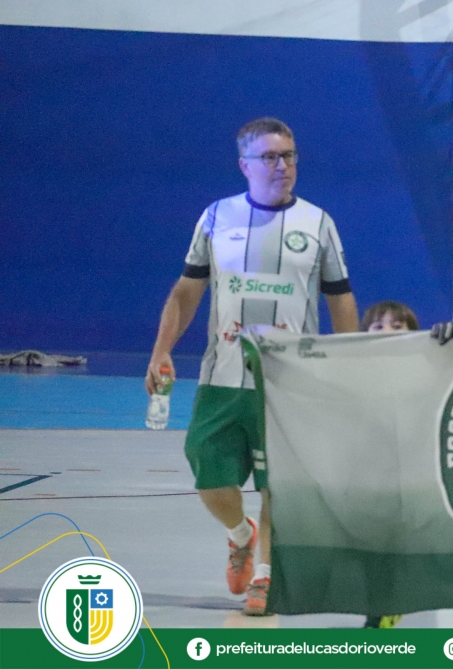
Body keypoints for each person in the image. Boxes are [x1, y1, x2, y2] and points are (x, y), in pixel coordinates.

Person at [145, 117, 359, 615]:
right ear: (245, 165)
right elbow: (187, 290)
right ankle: (240, 534)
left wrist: (348, 364)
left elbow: (340, 297)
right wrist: (161, 349)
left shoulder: (318, 223)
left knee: (279, 486)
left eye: (289, 156)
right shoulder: (216, 217)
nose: (282, 165)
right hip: (223, 377)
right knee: (207, 471)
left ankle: (266, 575)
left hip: (290, 381)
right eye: (270, 157)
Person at [359, 302, 416, 630]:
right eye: (378, 326)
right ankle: (383, 606)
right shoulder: (353, 375)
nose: (388, 332)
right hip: (371, 477)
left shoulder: (426, 371)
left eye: (397, 326)